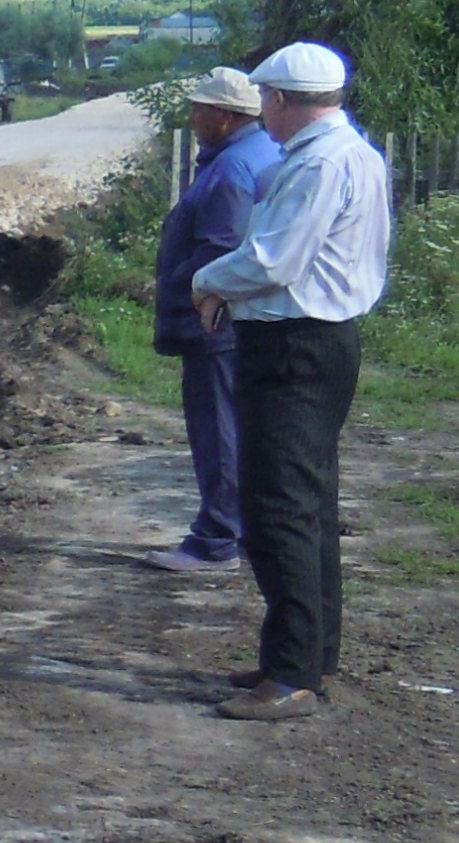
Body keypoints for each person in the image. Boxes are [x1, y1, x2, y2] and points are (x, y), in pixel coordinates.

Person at [191, 41, 391, 721]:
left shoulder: (316, 165)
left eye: (264, 103)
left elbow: (274, 260)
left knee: (279, 509)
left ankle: (293, 676)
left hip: (293, 345)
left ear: (279, 101)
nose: (261, 117)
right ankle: (307, 656)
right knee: (309, 506)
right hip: (322, 341)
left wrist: (208, 281)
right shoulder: (354, 153)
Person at [147, 67, 281, 572]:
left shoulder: (230, 171)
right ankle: (241, 529)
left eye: (200, 107)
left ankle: (217, 539)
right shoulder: (260, 154)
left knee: (218, 426)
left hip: (216, 322)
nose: (193, 115)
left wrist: (178, 284)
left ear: (226, 116)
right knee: (240, 425)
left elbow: (221, 250)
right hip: (243, 320)